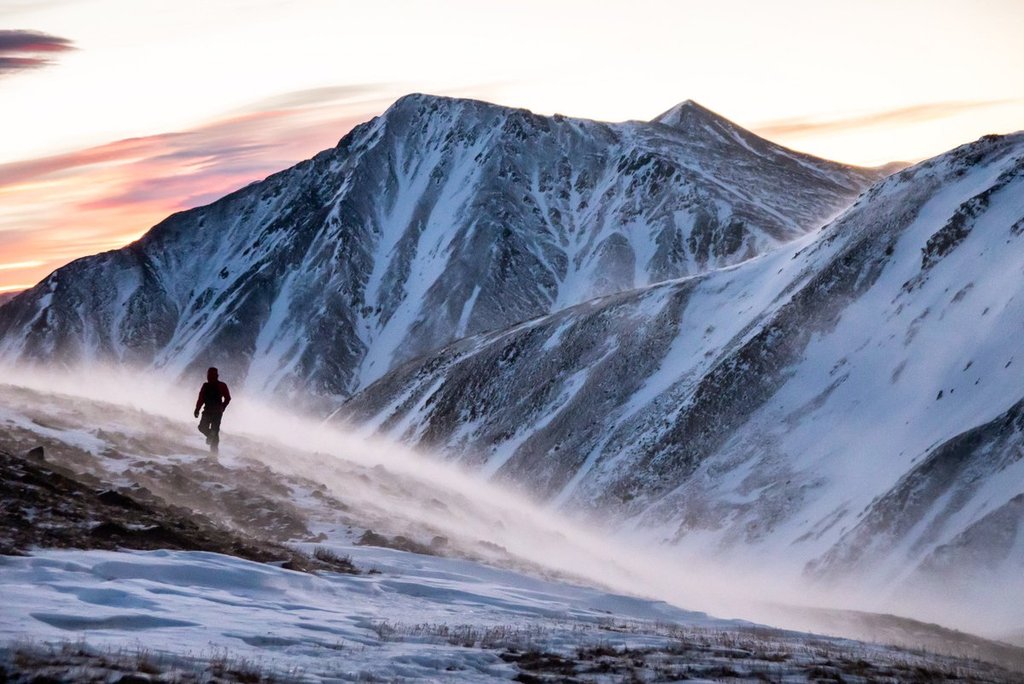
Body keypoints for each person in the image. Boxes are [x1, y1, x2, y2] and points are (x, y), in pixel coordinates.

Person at [194, 367, 231, 453]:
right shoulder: (221, 385)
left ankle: (213, 453)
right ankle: (214, 453)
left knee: (203, 428)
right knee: (214, 431)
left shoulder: (206, 386)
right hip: (217, 412)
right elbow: (228, 398)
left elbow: (201, 399)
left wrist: (197, 409)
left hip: (208, 411)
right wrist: (223, 407)